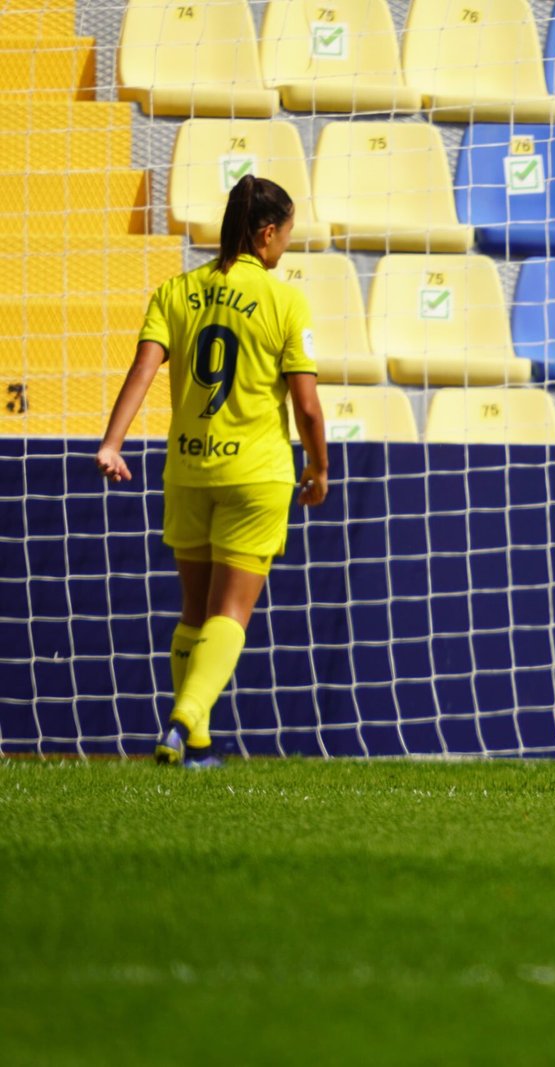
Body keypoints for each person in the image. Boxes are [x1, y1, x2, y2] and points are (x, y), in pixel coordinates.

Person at [95, 175, 329, 769]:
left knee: (193, 612)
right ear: (267, 232)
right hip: (257, 474)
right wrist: (320, 467)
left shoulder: (176, 291)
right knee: (231, 615)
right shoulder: (284, 299)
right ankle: (183, 719)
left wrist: (113, 442)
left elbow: (141, 371)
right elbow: (305, 404)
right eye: (287, 234)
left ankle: (195, 744)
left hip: (189, 471)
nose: (286, 248)